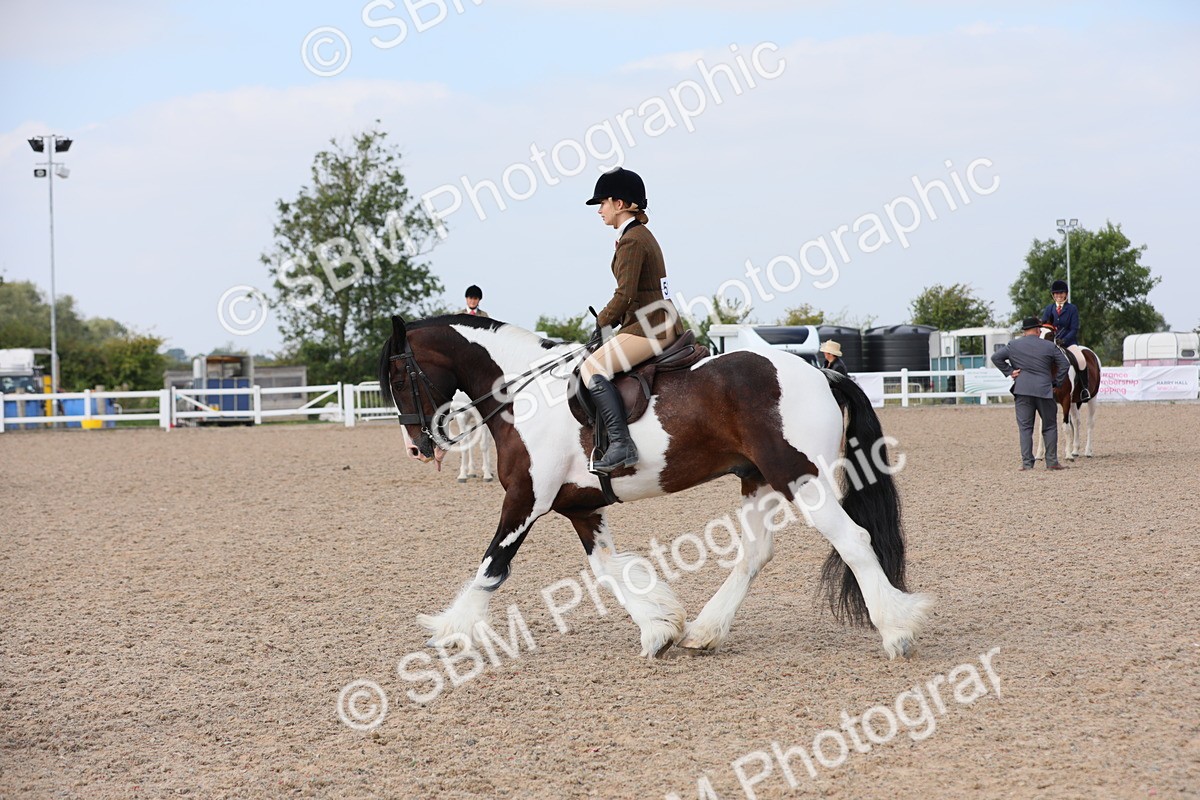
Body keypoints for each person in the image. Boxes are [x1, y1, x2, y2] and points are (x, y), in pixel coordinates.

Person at [580, 167, 683, 475]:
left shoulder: (633, 241)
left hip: (650, 326)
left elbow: (624, 295)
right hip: (654, 321)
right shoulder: (636, 236)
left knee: (591, 367)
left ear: (620, 204)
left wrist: (602, 320)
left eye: (603, 203)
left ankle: (622, 444)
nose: (599, 210)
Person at [991, 316, 1072, 471]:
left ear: (1024, 331)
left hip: (1022, 390)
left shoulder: (1013, 345)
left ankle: (1027, 464)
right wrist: (1056, 383)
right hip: (1044, 390)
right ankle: (1052, 462)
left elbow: (996, 357)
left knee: (1025, 428)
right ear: (1037, 330)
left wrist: (1010, 372)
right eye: (1040, 328)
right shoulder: (1048, 346)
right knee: (1049, 426)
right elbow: (1065, 364)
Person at [1040, 279, 1089, 401]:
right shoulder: (1049, 309)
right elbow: (1044, 326)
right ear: (1053, 295)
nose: (1059, 296)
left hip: (1068, 343)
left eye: (1061, 293)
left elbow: (1074, 328)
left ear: (1066, 294)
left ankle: (1084, 389)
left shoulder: (1072, 309)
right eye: (1056, 294)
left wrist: (1064, 340)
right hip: (1051, 344)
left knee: (1081, 360)